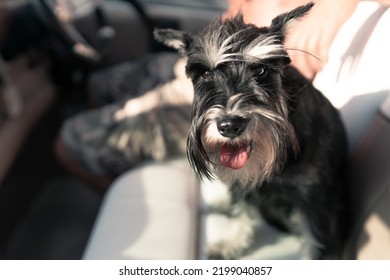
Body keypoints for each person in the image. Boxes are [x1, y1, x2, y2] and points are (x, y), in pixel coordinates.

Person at [55, 0, 390, 192]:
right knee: (98, 84)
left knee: (69, 144)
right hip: (206, 65)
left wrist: (333, 9)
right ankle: (129, 146)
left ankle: (134, 189)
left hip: (237, 93)